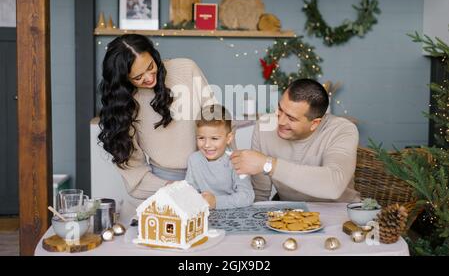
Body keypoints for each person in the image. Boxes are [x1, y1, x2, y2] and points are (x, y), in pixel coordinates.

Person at [98, 34, 215, 199]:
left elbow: (218, 122)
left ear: (154, 55)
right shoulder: (124, 105)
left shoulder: (187, 69)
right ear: (123, 80)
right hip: (165, 186)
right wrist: (170, 188)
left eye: (150, 66)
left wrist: (229, 171)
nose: (149, 78)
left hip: (210, 177)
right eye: (138, 77)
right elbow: (135, 174)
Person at [230, 78, 360, 202]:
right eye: (280, 109)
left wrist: (268, 164)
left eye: (291, 118)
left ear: (315, 123)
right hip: (291, 215)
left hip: (340, 213)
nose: (280, 122)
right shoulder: (264, 126)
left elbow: (334, 186)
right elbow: (260, 193)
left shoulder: (342, 130)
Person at [185, 105, 254, 209]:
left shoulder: (237, 161)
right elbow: (189, 191)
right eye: (201, 138)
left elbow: (247, 196)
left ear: (229, 138)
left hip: (233, 216)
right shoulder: (193, 160)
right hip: (204, 216)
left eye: (214, 138)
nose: (207, 145)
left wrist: (216, 202)